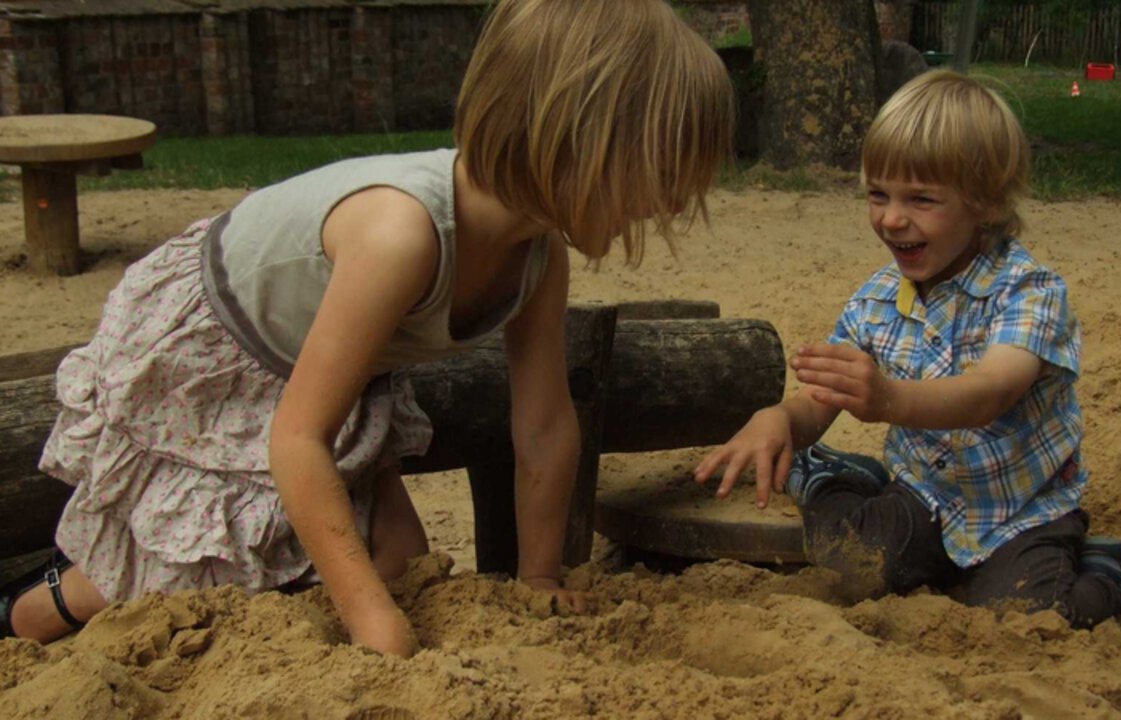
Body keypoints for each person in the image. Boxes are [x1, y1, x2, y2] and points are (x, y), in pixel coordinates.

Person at [0, 0, 734, 657]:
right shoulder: (400, 236)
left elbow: (543, 425)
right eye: (663, 171)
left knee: (399, 562)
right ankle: (46, 605)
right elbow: (298, 438)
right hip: (219, 349)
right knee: (204, 566)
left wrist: (539, 575)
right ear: (576, 138)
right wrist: (370, 623)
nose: (671, 202)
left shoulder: (537, 255)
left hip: (315, 368)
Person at [695, 70, 1121, 629]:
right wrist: (781, 420)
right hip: (925, 496)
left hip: (1022, 512)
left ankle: (1105, 571)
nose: (891, 218)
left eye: (921, 199)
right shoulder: (877, 300)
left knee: (1033, 619)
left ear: (986, 203)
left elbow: (990, 392)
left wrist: (889, 399)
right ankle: (828, 475)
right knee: (854, 564)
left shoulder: (1028, 292)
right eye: (878, 194)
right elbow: (820, 400)